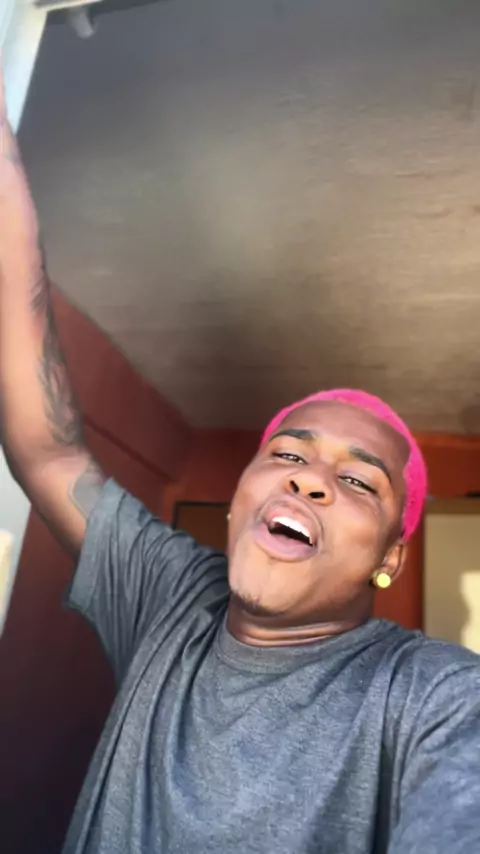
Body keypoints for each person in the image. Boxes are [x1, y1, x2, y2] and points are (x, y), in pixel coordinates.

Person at [1, 65, 479, 854]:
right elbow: (48, 450)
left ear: (390, 558)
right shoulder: (168, 597)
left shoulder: (431, 698)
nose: (308, 478)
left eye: (356, 480)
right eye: (288, 453)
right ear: (239, 501)